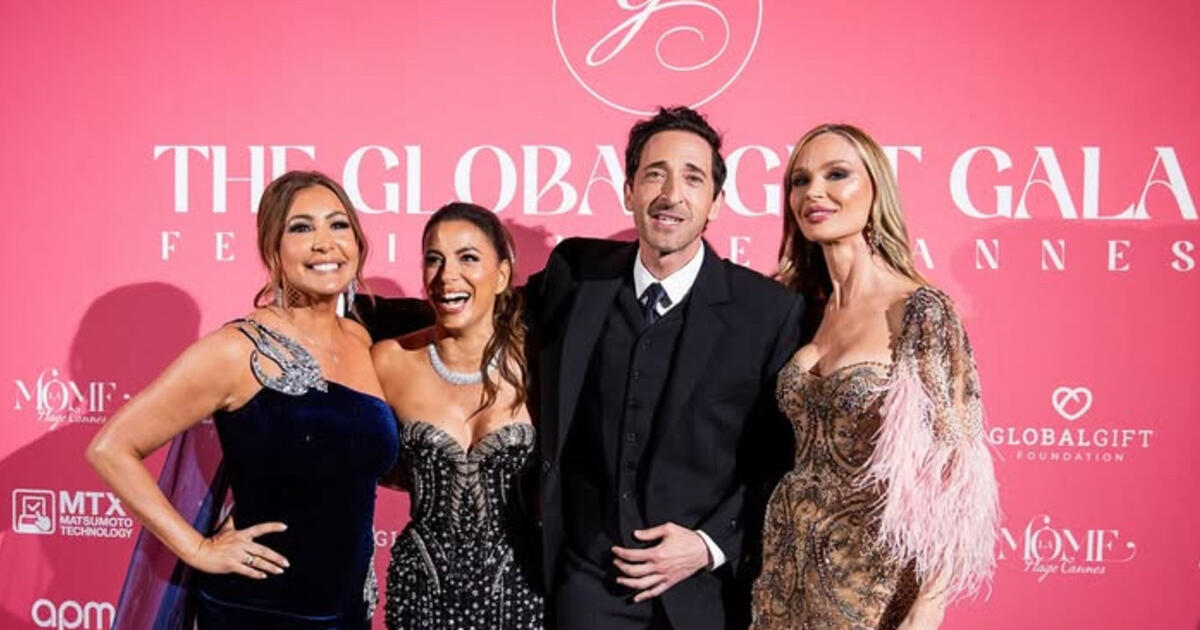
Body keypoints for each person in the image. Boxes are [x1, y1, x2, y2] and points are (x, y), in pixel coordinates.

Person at [524, 106, 805, 630]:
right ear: (628, 190)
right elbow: (483, 313)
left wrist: (709, 544)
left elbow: (782, 461)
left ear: (716, 202)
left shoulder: (767, 313)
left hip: (703, 598)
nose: (671, 194)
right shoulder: (575, 276)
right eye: (655, 174)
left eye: (692, 178)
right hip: (587, 587)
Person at [87, 170, 397, 630]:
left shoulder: (360, 338)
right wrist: (198, 549)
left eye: (338, 225)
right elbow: (110, 449)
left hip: (349, 611)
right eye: (301, 228)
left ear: (357, 241)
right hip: (257, 611)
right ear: (272, 250)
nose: (324, 243)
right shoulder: (236, 350)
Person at [749, 124, 999, 630]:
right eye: (800, 180)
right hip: (782, 579)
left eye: (836, 174)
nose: (813, 192)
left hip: (869, 586)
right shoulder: (799, 309)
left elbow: (953, 476)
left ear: (875, 189)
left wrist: (927, 610)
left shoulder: (919, 311)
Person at [372, 202, 543, 630]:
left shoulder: (541, 364)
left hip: (522, 593)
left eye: (468, 258)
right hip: (420, 596)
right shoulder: (389, 361)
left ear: (501, 275)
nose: (447, 275)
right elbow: (329, 448)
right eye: (434, 259)